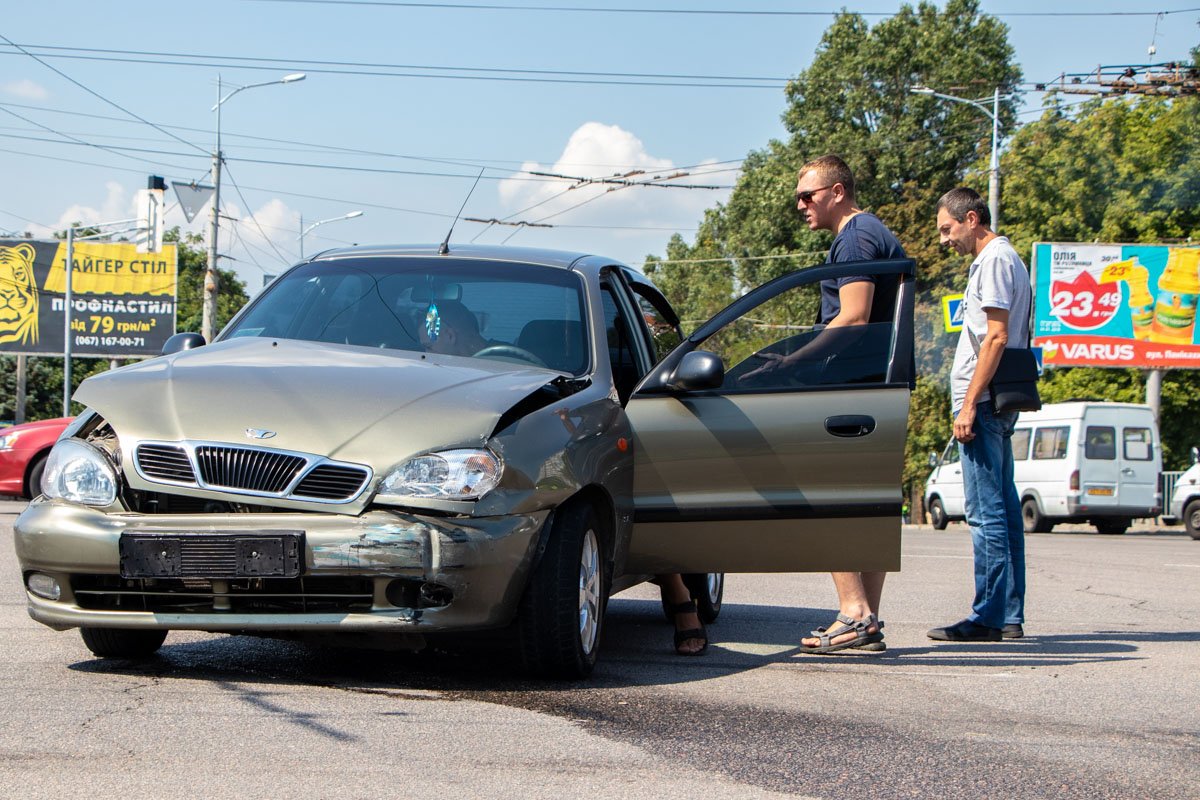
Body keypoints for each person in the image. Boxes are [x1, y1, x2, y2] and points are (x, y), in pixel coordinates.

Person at [774, 155, 907, 655]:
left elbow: (852, 317)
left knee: (829, 497)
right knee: (868, 504)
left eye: (807, 195)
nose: (801, 205)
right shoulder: (873, 232)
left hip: (851, 389)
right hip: (878, 389)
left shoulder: (853, 237)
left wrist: (794, 361)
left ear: (837, 192)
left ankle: (853, 612)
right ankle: (866, 620)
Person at [927, 187, 1031, 643]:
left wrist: (969, 403)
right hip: (994, 400)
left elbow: (996, 336)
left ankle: (988, 617)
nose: (944, 240)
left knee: (985, 514)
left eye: (947, 229)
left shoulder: (993, 260)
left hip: (984, 403)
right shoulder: (1007, 258)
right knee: (1004, 513)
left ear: (972, 219)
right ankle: (1007, 614)